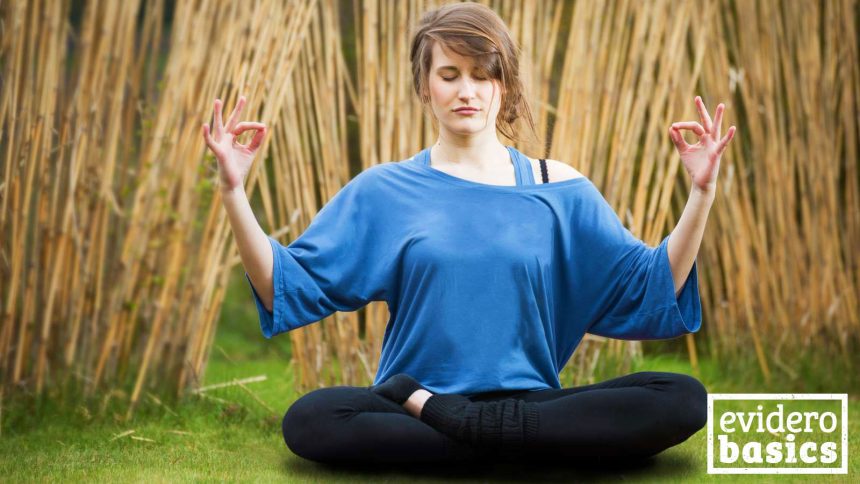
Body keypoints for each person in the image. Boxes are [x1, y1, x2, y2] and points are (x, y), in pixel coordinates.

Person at [202, 1, 736, 467]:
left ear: (503, 86)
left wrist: (701, 192)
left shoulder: (559, 188)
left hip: (525, 402)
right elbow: (285, 285)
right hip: (411, 402)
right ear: (423, 85)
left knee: (681, 396)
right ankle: (520, 448)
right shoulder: (384, 190)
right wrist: (233, 192)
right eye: (450, 74)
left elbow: (652, 287)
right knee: (311, 418)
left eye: (483, 75)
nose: (467, 91)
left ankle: (476, 436)